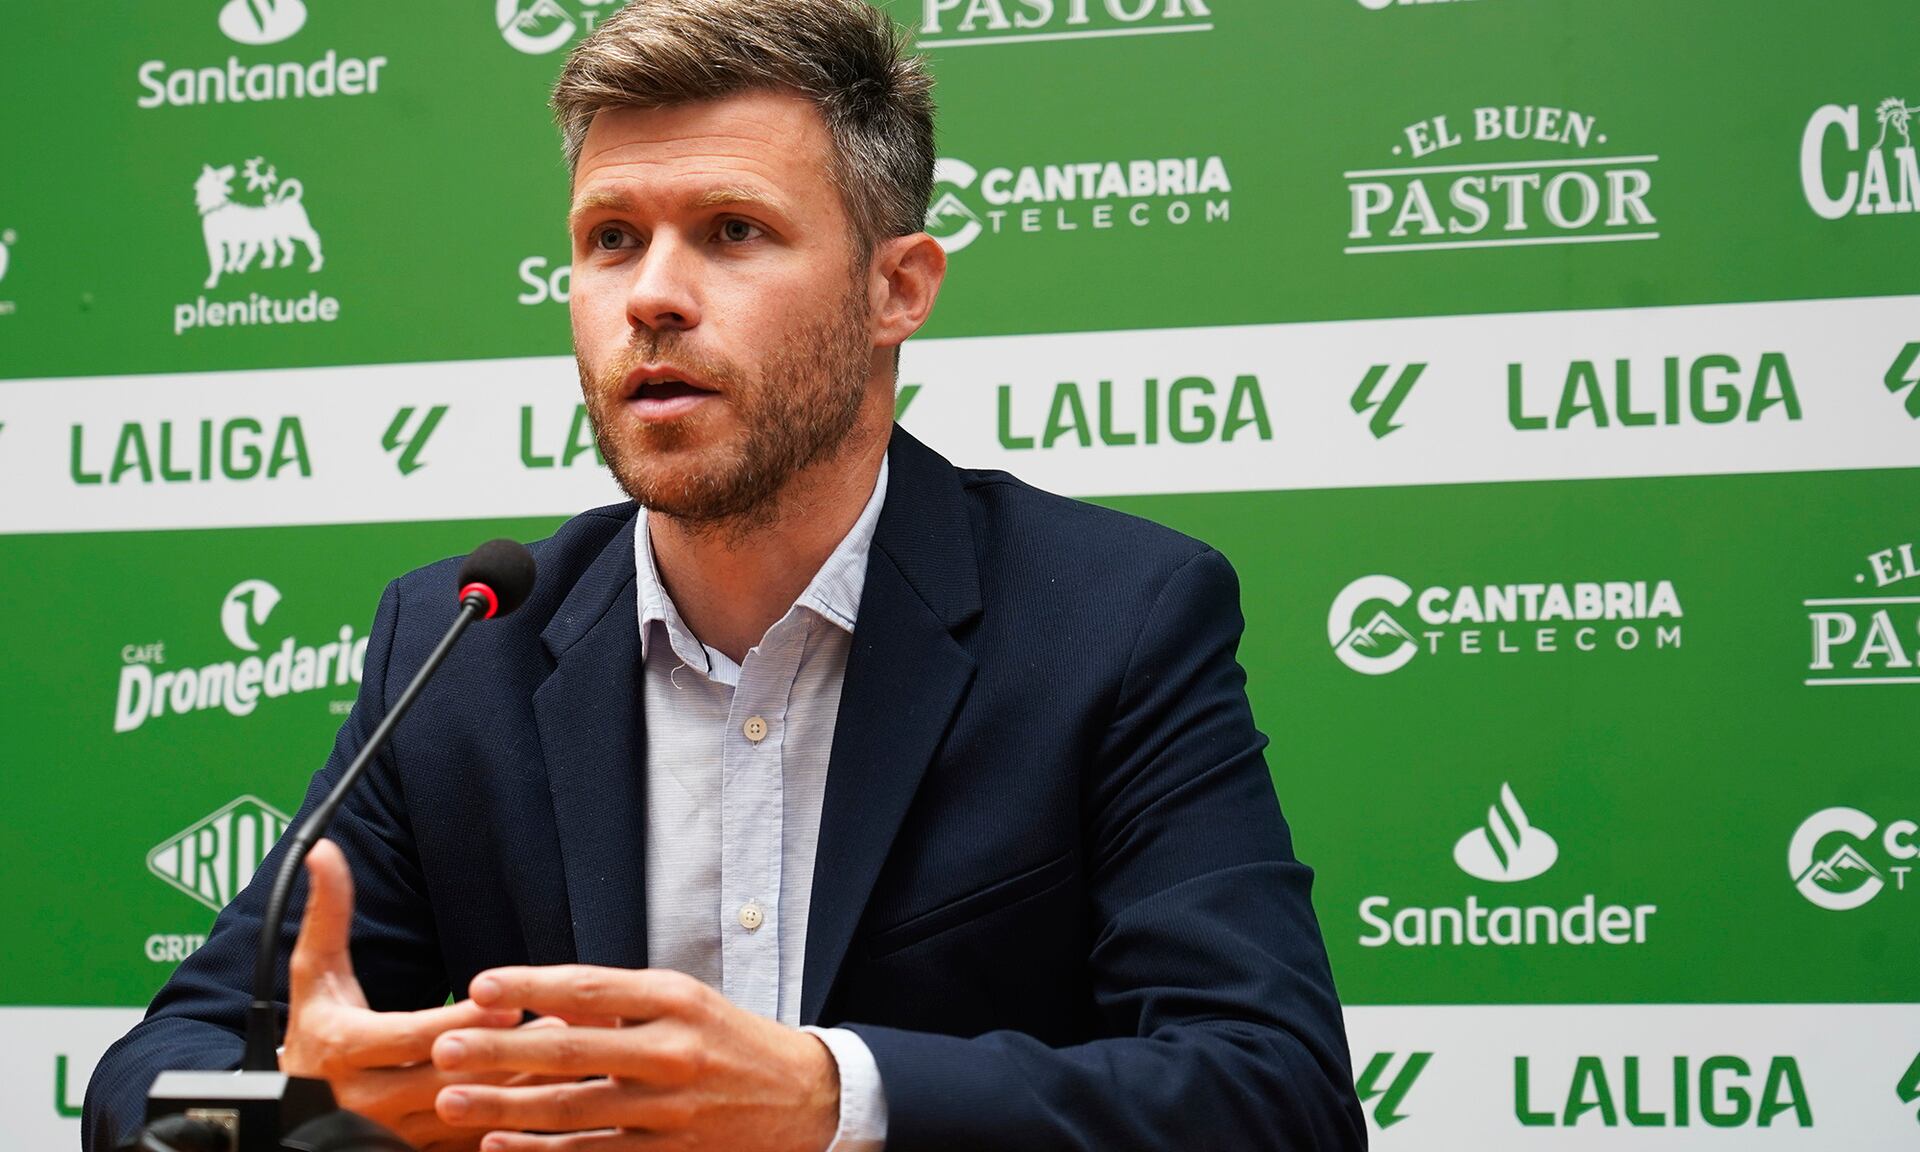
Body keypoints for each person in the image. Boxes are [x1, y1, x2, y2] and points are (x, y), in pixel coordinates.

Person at [85, 2, 1364, 1148]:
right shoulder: (459, 640)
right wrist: (313, 1113)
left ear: (896, 290)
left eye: (732, 231)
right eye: (609, 239)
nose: (651, 297)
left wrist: (827, 1098)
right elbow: (151, 1080)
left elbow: (1274, 1096)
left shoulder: (1112, 618)